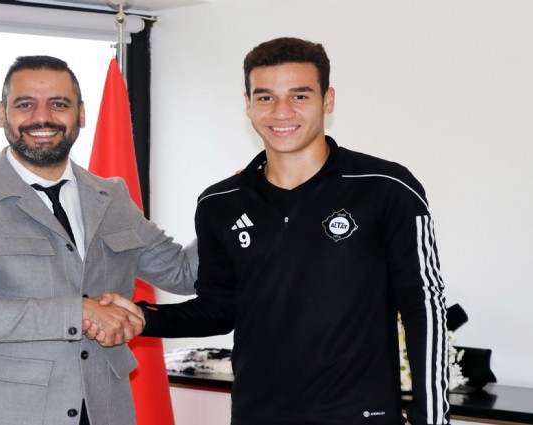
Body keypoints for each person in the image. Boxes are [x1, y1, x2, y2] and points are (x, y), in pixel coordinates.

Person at [99, 37, 450, 424]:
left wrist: (431, 419)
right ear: (248, 105)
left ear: (327, 100)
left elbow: (424, 306)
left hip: (359, 415)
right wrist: (145, 317)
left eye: (299, 96)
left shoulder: (386, 187)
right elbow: (219, 309)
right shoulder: (220, 202)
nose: (282, 112)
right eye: (265, 97)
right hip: (257, 414)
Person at [0, 55, 197, 425]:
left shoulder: (111, 196)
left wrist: (236, 207)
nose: (42, 117)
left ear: (81, 114)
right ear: (2, 114)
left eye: (59, 104)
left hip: (105, 412)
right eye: (25, 104)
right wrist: (78, 312)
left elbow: (182, 273)